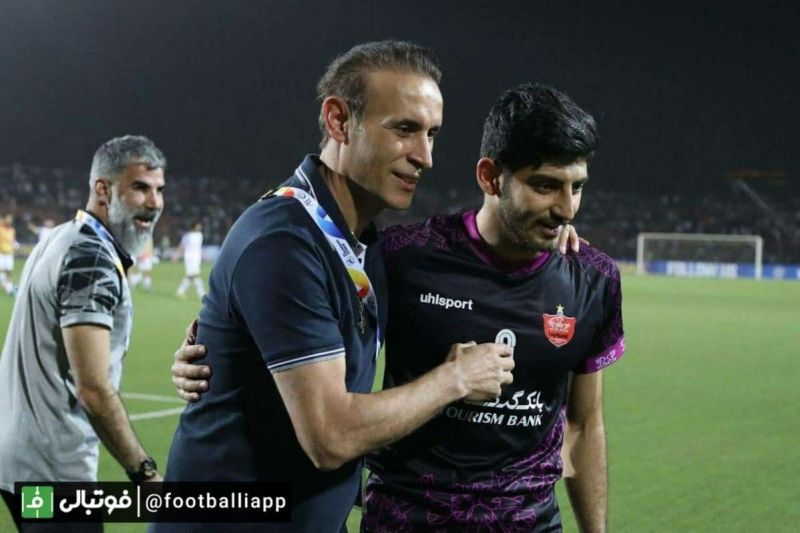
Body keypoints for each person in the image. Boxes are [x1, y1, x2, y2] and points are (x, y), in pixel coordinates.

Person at [175, 83, 623, 532]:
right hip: (407, 519)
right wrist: (213, 350)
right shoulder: (402, 257)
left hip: (529, 523)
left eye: (577, 187)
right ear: (490, 177)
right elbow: (280, 304)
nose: (567, 208)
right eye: (545, 186)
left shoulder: (594, 279)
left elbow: (584, 426)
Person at [157, 40, 514, 533]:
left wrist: (554, 232)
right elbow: (330, 437)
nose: (426, 156)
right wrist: (455, 379)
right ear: (338, 121)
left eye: (432, 134)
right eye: (404, 130)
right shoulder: (284, 241)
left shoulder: (362, 240)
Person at [0, 135, 167, 530]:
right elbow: (93, 388)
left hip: (21, 459)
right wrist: (144, 473)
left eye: (159, 189)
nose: (154, 202)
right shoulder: (90, 259)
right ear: (103, 190)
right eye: (140, 188)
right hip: (53, 473)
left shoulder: (61, 237)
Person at [174, 221, 205, 299]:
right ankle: (202, 294)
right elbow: (182, 246)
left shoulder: (200, 235)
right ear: (193, 226)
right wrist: (176, 255)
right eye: (198, 226)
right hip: (189, 257)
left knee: (190, 275)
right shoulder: (187, 236)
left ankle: (180, 292)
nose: (200, 227)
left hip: (197, 257)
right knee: (195, 274)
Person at [0, 214, 17, 295]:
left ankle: (9, 288)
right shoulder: (1, 229)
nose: (9, 221)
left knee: (9, 271)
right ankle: (6, 285)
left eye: (11, 219)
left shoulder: (12, 230)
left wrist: (15, 245)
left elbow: (13, 240)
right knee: (1, 270)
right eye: (8, 219)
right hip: (1, 253)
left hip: (9, 254)